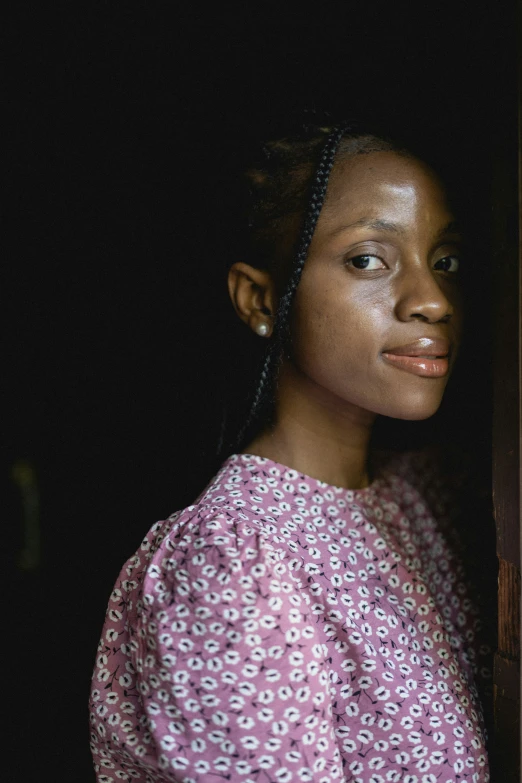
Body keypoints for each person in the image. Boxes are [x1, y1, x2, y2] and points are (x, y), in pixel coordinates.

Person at [89, 123, 492, 782]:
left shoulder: (424, 497)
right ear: (261, 298)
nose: (431, 300)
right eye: (368, 258)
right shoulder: (231, 562)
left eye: (444, 260)